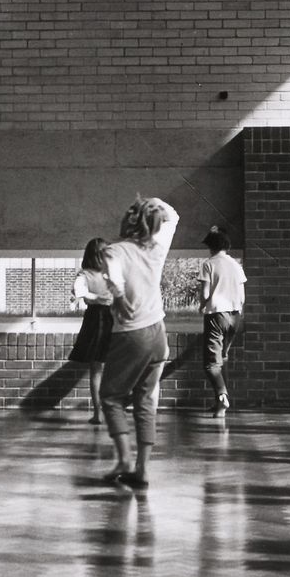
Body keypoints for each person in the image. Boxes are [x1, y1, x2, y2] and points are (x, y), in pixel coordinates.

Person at [98, 196, 180, 490]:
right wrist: (152, 202)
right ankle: (142, 470)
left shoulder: (114, 250)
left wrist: (119, 297)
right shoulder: (155, 249)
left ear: (127, 222)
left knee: (110, 397)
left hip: (131, 334)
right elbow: (173, 216)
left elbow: (114, 278)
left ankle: (123, 461)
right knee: (146, 401)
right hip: (158, 333)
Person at [198, 226, 247, 416]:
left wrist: (202, 305)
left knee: (211, 363)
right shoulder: (236, 265)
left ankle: (222, 396)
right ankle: (220, 405)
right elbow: (242, 297)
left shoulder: (208, 264)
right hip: (235, 316)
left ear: (210, 246)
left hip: (216, 315)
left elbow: (205, 293)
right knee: (222, 358)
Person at [68, 238, 115, 422]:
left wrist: (94, 298)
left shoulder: (85, 274)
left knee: (96, 368)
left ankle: (98, 413)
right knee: (110, 367)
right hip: (113, 318)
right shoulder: (110, 273)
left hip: (95, 320)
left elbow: (78, 292)